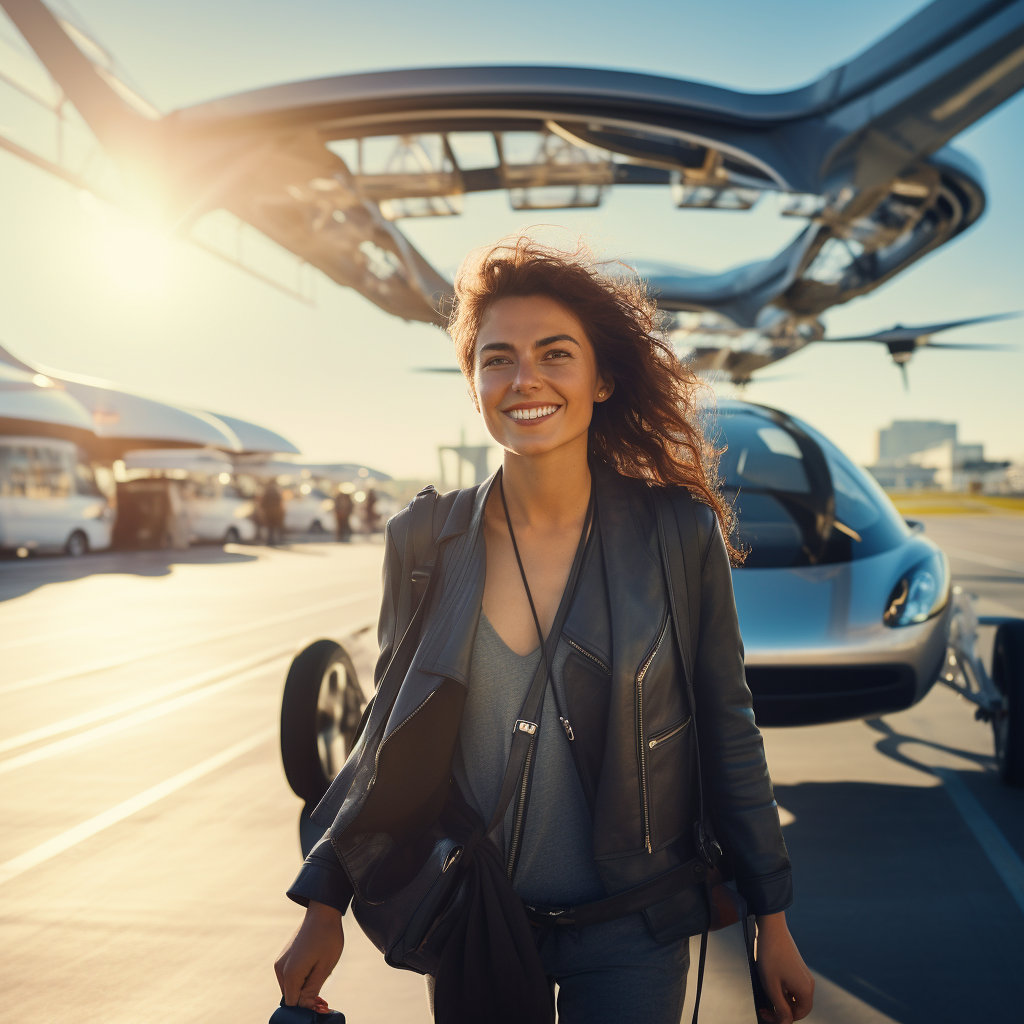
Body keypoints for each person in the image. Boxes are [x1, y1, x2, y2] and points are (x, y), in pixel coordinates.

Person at [274, 238, 815, 1024]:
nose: (524, 379)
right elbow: (387, 740)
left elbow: (729, 732)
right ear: (475, 385)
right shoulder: (423, 541)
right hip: (480, 917)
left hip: (636, 927)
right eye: (497, 359)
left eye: (554, 354)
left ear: (601, 380)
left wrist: (774, 919)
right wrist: (322, 900)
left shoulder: (679, 535)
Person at [260, 479, 285, 546]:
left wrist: (263, 509)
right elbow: (279, 500)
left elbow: (263, 502)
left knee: (270, 528)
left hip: (268, 511)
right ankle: (275, 540)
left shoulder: (267, 491)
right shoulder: (276, 491)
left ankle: (269, 541)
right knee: (275, 527)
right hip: (275, 511)